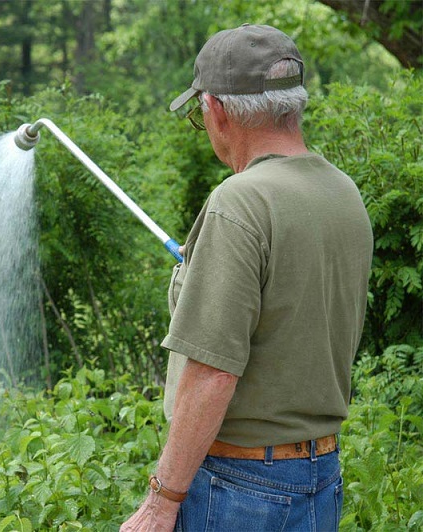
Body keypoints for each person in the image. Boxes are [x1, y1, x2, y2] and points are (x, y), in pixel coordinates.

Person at [121, 24, 373, 531]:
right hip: (321, 474)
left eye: (199, 113)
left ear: (214, 109)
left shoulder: (240, 201)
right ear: (292, 104)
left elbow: (213, 371)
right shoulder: (343, 193)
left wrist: (162, 500)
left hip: (241, 489)